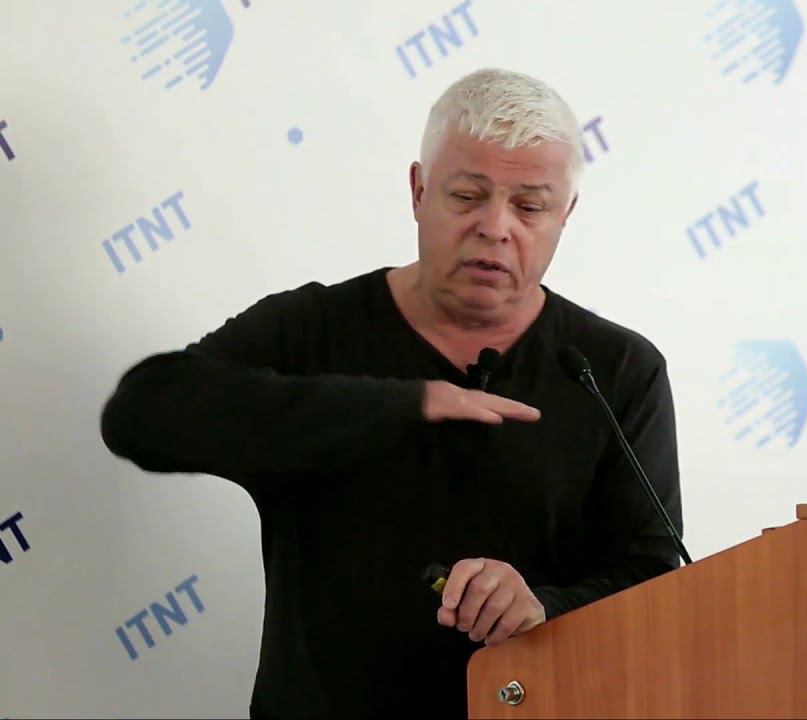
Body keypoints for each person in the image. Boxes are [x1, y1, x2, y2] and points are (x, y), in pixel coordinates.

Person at [98, 67, 683, 719]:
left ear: (565, 214)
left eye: (529, 207)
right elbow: (141, 414)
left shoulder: (615, 369)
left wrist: (544, 607)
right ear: (418, 190)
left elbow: (655, 574)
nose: (495, 227)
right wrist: (401, 404)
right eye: (468, 196)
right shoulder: (311, 332)